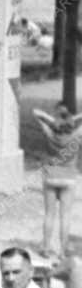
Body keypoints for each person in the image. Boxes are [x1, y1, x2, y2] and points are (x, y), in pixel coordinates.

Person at [33, 104, 82, 257]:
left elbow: (36, 112)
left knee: (49, 215)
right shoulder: (77, 136)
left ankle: (46, 248)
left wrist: (52, 120)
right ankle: (62, 251)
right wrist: (72, 119)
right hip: (68, 179)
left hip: (50, 177)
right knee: (65, 216)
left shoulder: (49, 134)